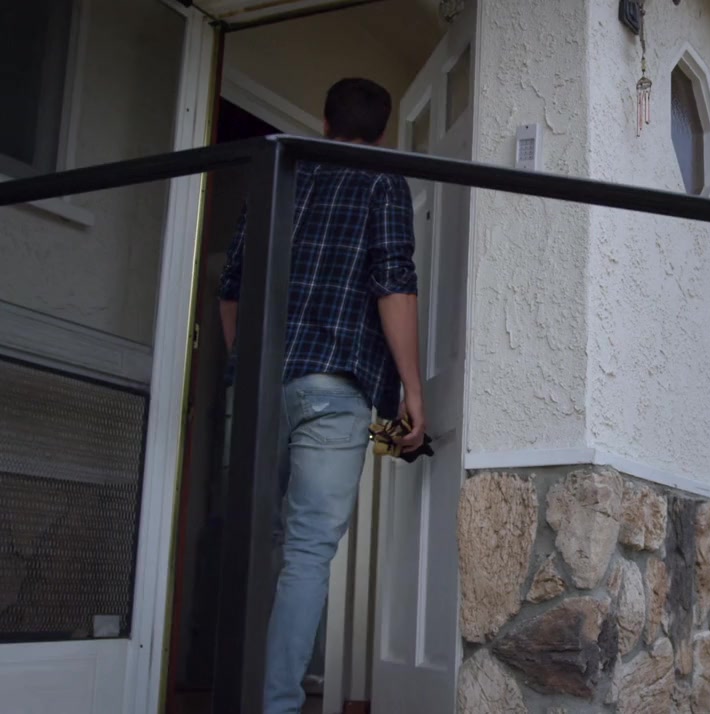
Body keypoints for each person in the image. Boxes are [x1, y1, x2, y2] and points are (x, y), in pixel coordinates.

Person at [217, 77, 424, 714]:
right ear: (383, 132)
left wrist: (244, 365)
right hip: (334, 390)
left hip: (261, 384)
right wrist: (412, 391)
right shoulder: (382, 180)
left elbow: (232, 286)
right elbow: (393, 284)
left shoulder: (280, 173)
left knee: (254, 540)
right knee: (306, 553)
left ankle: (234, 693)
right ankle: (276, 704)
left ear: (325, 121)